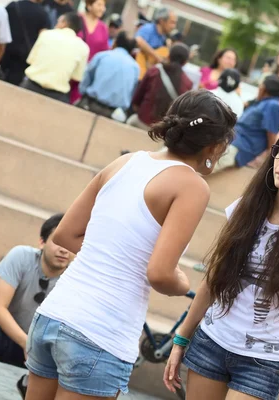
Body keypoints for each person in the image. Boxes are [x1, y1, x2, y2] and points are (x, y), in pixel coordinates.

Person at [24, 90, 237, 400]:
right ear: (214, 146)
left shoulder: (126, 161)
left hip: (54, 314)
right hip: (101, 331)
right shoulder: (191, 185)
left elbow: (65, 234)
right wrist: (182, 282)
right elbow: (160, 273)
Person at [163, 123, 279, 400]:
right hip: (212, 340)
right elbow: (214, 278)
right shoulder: (247, 208)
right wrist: (181, 338)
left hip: (263, 361)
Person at [0, 214, 71, 400]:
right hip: (3, 331)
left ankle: (29, 383)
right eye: (58, 242)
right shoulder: (21, 256)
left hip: (41, 342)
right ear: (42, 242)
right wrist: (26, 343)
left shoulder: (75, 277)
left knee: (69, 350)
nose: (64, 251)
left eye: (70, 246)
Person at [213, 74, 279, 172]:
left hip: (240, 147)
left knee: (203, 165)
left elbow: (271, 135)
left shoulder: (272, 105)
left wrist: (266, 159)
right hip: (230, 139)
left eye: (260, 86)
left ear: (264, 88)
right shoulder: (260, 102)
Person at [21, 12, 89, 103]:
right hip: (57, 97)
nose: (56, 25)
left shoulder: (46, 35)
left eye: (58, 22)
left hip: (30, 87)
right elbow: (76, 77)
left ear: (64, 23)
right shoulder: (83, 48)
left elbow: (31, 60)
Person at [127, 43, 191, 130]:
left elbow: (136, 102)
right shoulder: (187, 83)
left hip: (142, 122)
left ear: (168, 56)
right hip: (161, 131)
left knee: (129, 122)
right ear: (185, 62)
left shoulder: (154, 71)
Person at [78, 31, 139, 119]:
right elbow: (131, 93)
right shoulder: (135, 68)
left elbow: (85, 82)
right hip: (115, 115)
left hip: (91, 105)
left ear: (115, 42)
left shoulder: (102, 56)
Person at [68, 0, 109, 104]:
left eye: (104, 6)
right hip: (69, 67)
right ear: (89, 5)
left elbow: (105, 53)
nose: (102, 9)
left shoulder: (103, 28)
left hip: (86, 75)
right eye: (99, 5)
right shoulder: (77, 19)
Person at [1, 0, 51, 85]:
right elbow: (43, 38)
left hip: (5, 50)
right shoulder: (43, 14)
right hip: (25, 56)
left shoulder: (13, 6)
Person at [135, 7, 177, 78]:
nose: (174, 26)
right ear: (161, 21)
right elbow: (138, 40)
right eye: (172, 22)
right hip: (138, 72)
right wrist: (157, 57)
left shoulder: (163, 38)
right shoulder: (148, 28)